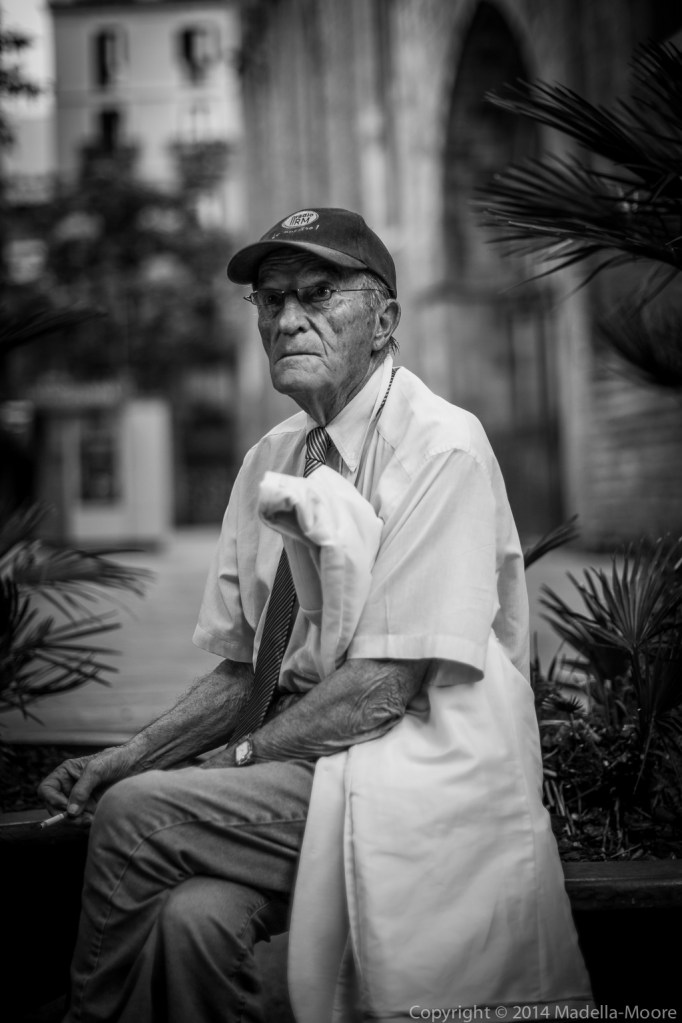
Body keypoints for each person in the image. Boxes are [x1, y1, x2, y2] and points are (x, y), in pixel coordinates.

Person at [39, 207, 592, 1022]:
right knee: (192, 923)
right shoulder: (269, 458)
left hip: (410, 764)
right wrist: (130, 752)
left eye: (319, 292)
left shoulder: (441, 446)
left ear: (385, 321)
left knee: (135, 817)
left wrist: (226, 765)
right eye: (270, 298)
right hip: (304, 764)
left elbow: (383, 687)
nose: (287, 316)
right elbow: (242, 668)